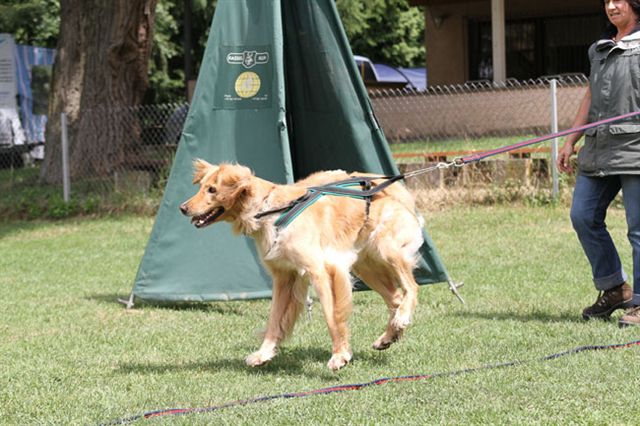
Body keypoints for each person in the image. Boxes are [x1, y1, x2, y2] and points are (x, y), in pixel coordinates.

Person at [557, 0, 640, 327]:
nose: (611, 5)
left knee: (638, 230)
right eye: (607, 1)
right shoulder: (599, 50)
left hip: (636, 150)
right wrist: (570, 140)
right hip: (600, 147)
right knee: (583, 215)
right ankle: (614, 287)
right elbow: (590, 96)